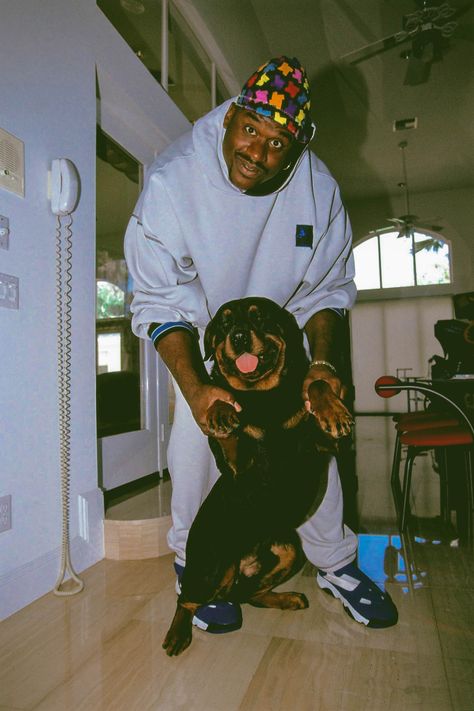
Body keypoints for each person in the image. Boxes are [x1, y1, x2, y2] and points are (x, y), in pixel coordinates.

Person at [124, 56, 398, 631]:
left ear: (297, 145)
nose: (258, 152)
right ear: (231, 118)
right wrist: (198, 388)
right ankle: (190, 562)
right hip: (203, 336)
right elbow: (157, 299)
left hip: (286, 339)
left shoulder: (317, 189)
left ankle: (336, 564)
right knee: (195, 447)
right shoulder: (175, 180)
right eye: (250, 130)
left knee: (313, 441)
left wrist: (319, 363)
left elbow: (327, 288)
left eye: (279, 144)